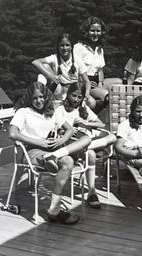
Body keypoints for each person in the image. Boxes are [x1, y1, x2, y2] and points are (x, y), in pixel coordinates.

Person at [9, 82, 91, 224]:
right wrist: (38, 142)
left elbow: (70, 130)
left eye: (41, 97)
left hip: (52, 149)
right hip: (32, 150)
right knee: (62, 162)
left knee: (75, 153)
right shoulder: (23, 112)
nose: (39, 101)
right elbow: (12, 133)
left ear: (46, 96)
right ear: (30, 98)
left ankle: (53, 209)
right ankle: (55, 211)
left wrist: (61, 141)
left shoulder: (50, 112)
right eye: (35, 98)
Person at [57, 82, 117, 208]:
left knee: (112, 137)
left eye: (79, 97)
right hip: (70, 142)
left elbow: (101, 124)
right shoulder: (60, 110)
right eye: (73, 96)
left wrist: (85, 123)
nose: (76, 100)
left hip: (86, 139)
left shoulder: (83, 108)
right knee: (90, 154)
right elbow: (58, 130)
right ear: (67, 95)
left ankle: (86, 146)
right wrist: (72, 128)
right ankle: (92, 192)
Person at [32, 33, 91, 108]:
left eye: (67, 45)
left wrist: (86, 95)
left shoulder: (77, 60)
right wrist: (51, 76)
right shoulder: (54, 58)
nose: (65, 48)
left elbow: (87, 81)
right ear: (58, 47)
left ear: (71, 46)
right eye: (62, 45)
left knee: (91, 102)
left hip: (73, 90)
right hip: (59, 89)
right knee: (44, 66)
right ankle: (39, 94)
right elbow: (35, 62)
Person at [73, 17, 109, 113]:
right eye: (92, 31)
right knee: (94, 101)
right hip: (81, 83)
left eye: (98, 31)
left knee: (108, 96)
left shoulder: (100, 49)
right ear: (86, 31)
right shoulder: (79, 47)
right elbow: (75, 70)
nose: (95, 34)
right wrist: (86, 82)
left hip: (95, 82)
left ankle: (93, 117)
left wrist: (100, 83)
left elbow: (100, 69)